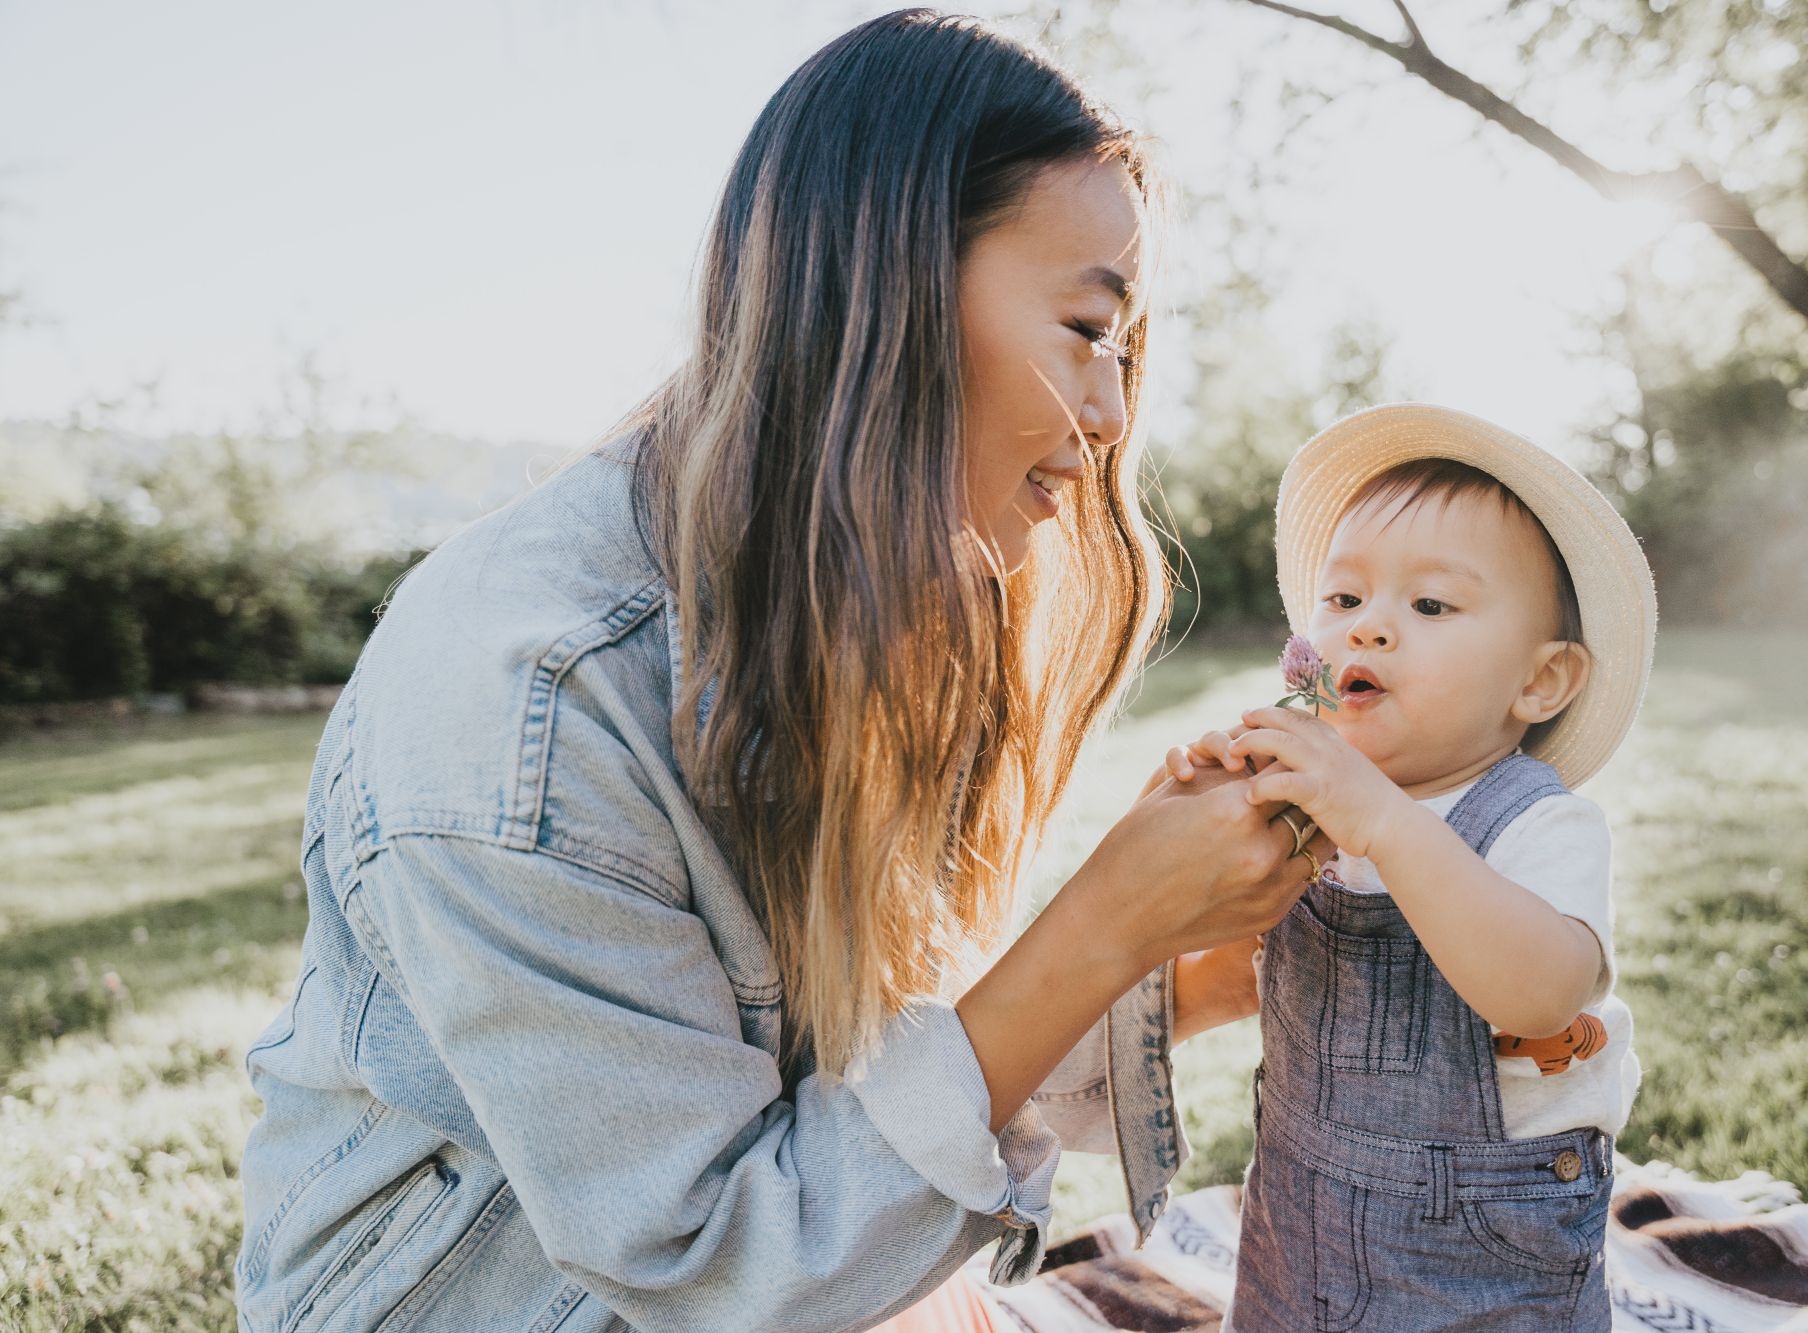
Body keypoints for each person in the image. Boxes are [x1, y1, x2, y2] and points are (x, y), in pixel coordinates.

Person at [231, 11, 1306, 1332]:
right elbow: (712, 1259)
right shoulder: (534, 701)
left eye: (1124, 351)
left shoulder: (875, 594)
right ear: (888, 283)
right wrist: (1105, 922)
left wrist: (1191, 969)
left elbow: (864, 1094)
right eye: (1089, 328)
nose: (1108, 415)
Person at [1164, 404, 1658, 1331]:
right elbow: (1221, 962)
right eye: (1344, 601)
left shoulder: (1537, 821)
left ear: (1539, 681)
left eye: (1430, 605)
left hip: (1481, 1258)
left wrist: (1381, 818)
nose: (1370, 630)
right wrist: (1208, 821)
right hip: (1297, 1225)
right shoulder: (1311, 811)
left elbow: (1544, 994)